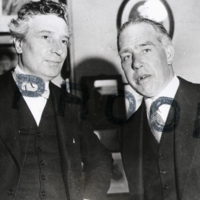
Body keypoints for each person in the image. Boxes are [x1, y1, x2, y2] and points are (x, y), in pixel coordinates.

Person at [0, 1, 112, 200]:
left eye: (63, 41)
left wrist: (87, 197)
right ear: (18, 43)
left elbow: (100, 158)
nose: (59, 50)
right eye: (46, 37)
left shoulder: (71, 104)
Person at [118, 17, 200, 200]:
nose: (136, 63)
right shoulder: (128, 131)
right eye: (126, 56)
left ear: (168, 54)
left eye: (145, 50)